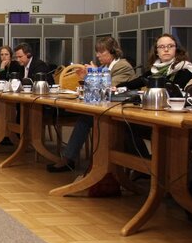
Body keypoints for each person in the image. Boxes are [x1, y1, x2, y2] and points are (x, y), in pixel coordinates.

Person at [47, 36, 134, 173]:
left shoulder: (123, 66)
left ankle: (75, 160)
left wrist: (93, 74)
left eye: (101, 52)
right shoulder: (104, 67)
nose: (97, 55)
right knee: (85, 118)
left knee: (85, 119)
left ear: (112, 51)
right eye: (97, 52)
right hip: (104, 108)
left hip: (120, 112)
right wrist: (86, 77)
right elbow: (95, 91)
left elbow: (110, 88)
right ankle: (75, 159)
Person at [123, 33, 192, 92]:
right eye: (161, 46)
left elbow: (175, 91)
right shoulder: (156, 69)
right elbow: (135, 83)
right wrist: (116, 88)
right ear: (156, 52)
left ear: (176, 49)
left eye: (170, 46)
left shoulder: (184, 68)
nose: (166, 49)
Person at [0, 45, 23, 139]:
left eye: (6, 54)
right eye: (2, 54)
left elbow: (8, 81)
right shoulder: (4, 66)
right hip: (6, 94)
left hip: (17, 94)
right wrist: (2, 67)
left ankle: (10, 131)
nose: (4, 57)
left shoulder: (15, 65)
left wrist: (2, 67)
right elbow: (2, 82)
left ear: (10, 55)